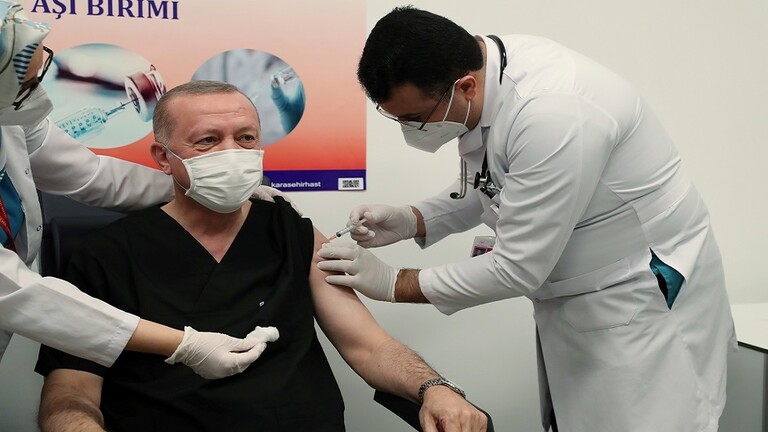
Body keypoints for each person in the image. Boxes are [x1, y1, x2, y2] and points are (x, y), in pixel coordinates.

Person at [317, 6, 737, 432]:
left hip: (639, 293)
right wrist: (414, 219)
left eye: (414, 119)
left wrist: (393, 282)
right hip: (579, 293)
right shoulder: (488, 72)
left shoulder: (555, 113)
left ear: (464, 87)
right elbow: (498, 181)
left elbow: (516, 268)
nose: (409, 130)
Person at [35, 80, 486, 432]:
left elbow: (367, 346)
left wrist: (434, 388)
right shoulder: (105, 256)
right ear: (163, 157)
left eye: (246, 137)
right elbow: (70, 393)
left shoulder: (291, 229)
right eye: (208, 141)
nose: (232, 154)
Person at [0, 1, 284, 380]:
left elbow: (91, 175)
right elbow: (13, 291)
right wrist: (183, 344)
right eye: (24, 84)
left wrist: (199, 183)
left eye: (246, 138)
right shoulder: (106, 255)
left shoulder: (283, 227)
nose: (34, 94)